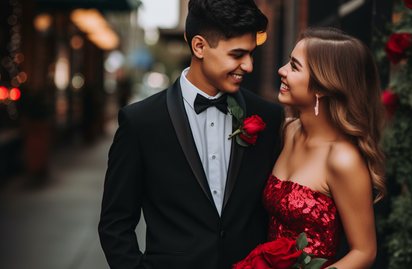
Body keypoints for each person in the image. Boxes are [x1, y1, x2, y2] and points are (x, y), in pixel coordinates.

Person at [98, 1, 283, 268]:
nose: (249, 66)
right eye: (237, 54)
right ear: (199, 47)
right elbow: (115, 223)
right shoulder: (140, 122)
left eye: (252, 54)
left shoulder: (268, 116)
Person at [263, 27, 387, 269]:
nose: (282, 70)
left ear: (323, 87)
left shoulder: (342, 159)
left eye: (294, 66)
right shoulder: (289, 131)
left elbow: (364, 252)